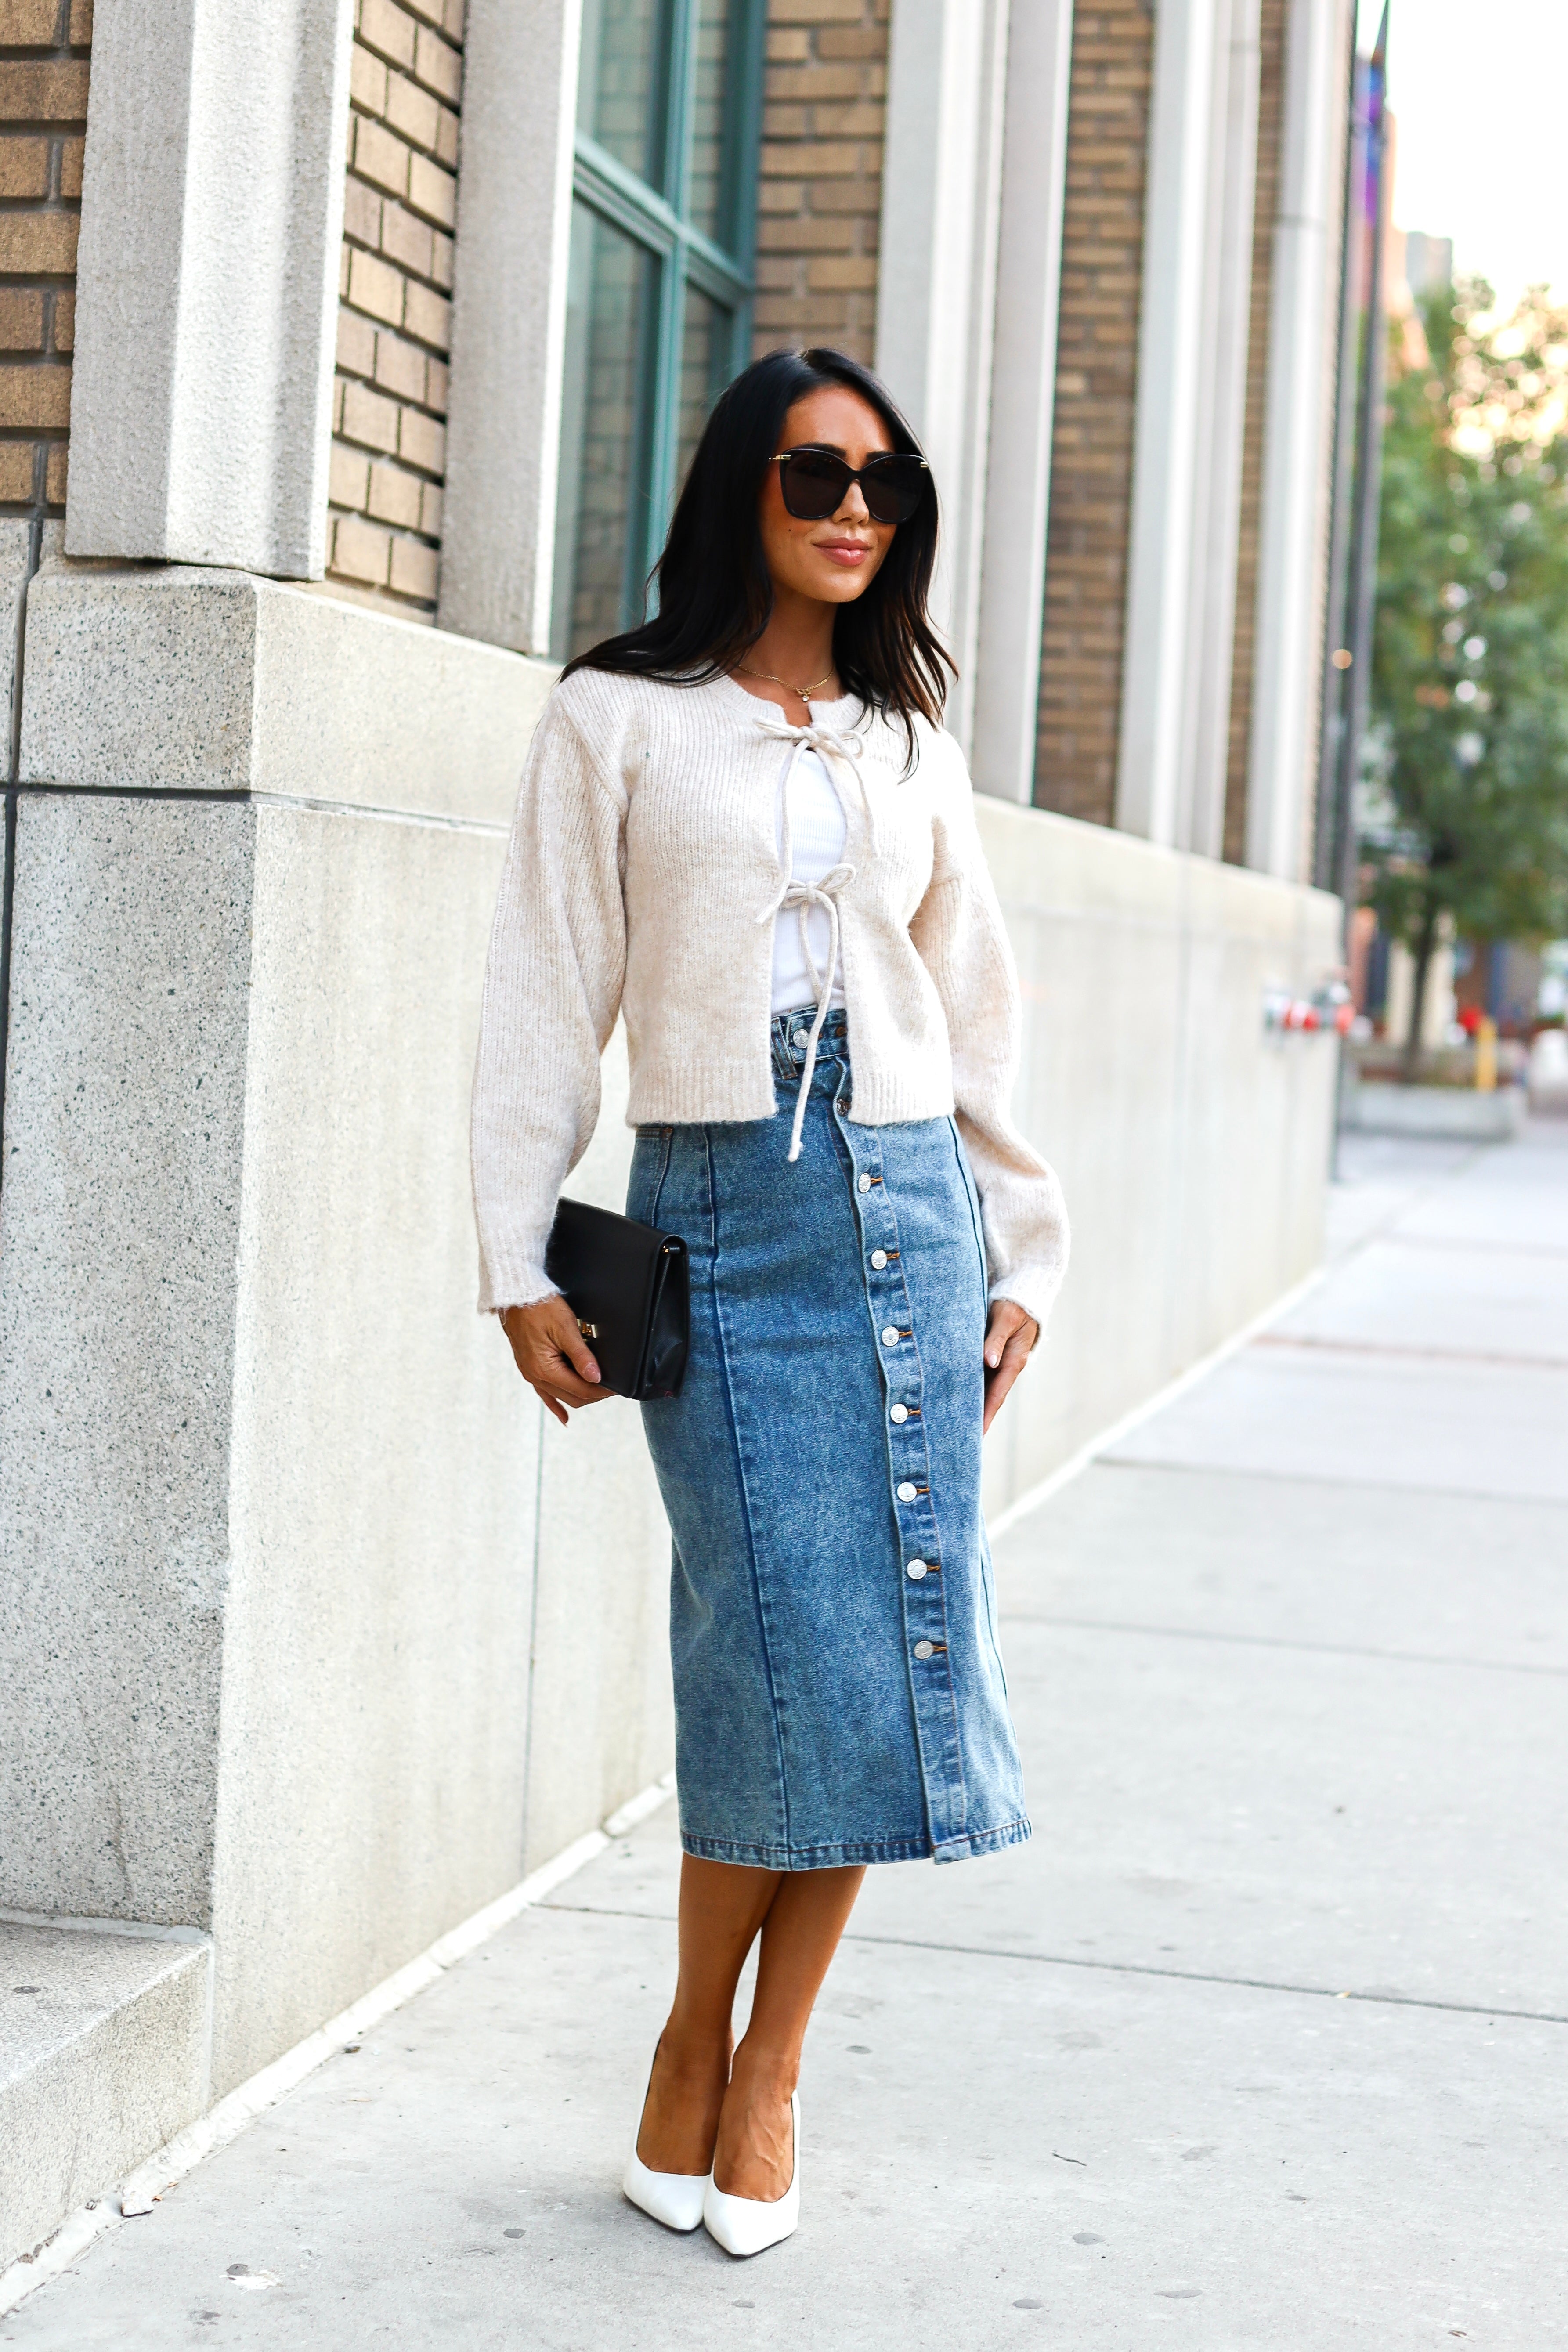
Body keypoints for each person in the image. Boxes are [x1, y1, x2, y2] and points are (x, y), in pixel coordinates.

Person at [470, 346, 1069, 2258]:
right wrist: (510, 1255)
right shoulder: (616, 718)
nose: (850, 510)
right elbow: (540, 995)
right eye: (816, 473)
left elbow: (976, 1026)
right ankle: (680, 2037)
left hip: (906, 1214)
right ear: (742, 482)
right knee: (763, 1649)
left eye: (884, 488)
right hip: (720, 1222)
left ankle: (771, 2070)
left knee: (889, 1650)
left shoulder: (907, 744)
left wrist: (1022, 1249)